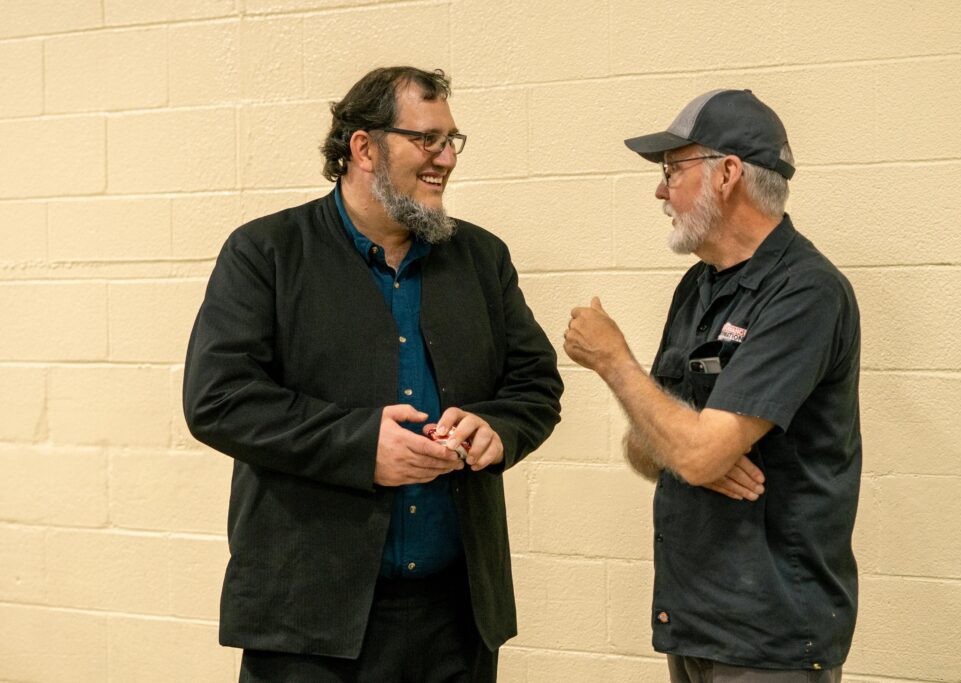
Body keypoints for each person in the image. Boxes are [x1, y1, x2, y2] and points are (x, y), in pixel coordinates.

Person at [183, 66, 562, 683]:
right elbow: (219, 400)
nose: (445, 159)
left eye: (451, 141)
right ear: (363, 147)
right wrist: (362, 446)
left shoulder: (482, 258)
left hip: (456, 620)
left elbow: (535, 385)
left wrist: (500, 428)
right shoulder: (266, 252)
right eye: (427, 140)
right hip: (308, 628)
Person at [563, 89, 861, 682]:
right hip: (695, 621)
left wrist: (614, 361)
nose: (659, 190)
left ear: (727, 174)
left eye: (674, 169)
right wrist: (692, 448)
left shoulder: (805, 292)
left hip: (770, 638)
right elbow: (653, 451)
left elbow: (693, 449)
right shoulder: (698, 288)